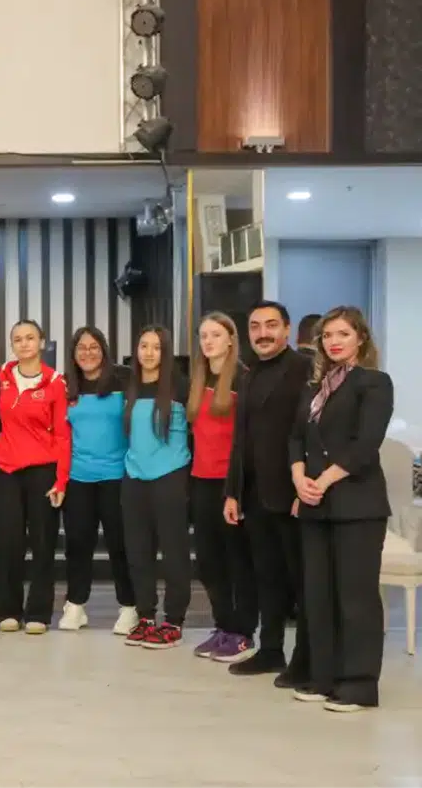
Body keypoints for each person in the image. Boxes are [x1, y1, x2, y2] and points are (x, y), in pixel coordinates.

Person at [289, 306, 393, 712]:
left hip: (357, 505)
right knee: (318, 596)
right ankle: (324, 677)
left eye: (343, 334)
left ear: (360, 338)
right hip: (315, 504)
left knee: (355, 597)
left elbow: (365, 444)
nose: (334, 342)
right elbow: (296, 438)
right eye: (328, 335)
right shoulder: (316, 387)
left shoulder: (374, 383)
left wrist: (325, 480)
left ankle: (359, 684)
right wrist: (299, 477)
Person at [223, 301, 312, 683]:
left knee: (302, 583)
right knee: (268, 578)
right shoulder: (248, 375)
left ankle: (307, 660)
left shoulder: (305, 369)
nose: (263, 333)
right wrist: (233, 492)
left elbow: (309, 434)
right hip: (256, 495)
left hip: (294, 495)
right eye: (256, 326)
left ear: (287, 330)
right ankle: (271, 650)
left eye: (271, 325)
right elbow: (240, 440)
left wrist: (303, 488)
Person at [0, 320, 70, 635]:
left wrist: (61, 480)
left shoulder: (56, 383)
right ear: (12, 345)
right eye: (18, 339)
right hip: (7, 471)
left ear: (41, 342)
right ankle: (7, 609)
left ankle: (38, 612)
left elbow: (63, 435)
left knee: (42, 543)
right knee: (8, 543)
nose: (24, 344)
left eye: (30, 338)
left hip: (43, 471)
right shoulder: (1, 377)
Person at [186, 313, 255, 662]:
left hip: (231, 483)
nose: (208, 341)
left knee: (236, 562)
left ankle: (243, 633)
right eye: (203, 336)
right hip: (201, 480)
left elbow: (245, 441)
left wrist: (235, 491)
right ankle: (224, 627)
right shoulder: (198, 379)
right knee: (209, 562)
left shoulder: (243, 379)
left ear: (231, 339)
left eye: (215, 334)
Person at [61, 326, 136, 635]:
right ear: (73, 354)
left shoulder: (124, 380)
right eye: (81, 347)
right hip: (79, 477)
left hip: (117, 476)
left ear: (104, 350)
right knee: (78, 543)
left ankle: (129, 607)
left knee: (120, 544)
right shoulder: (66, 386)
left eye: (94, 347)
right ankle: (75, 605)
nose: (88, 353)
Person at [121, 325, 192, 649]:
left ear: (165, 352)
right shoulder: (130, 385)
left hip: (170, 476)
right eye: (143, 346)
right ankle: (145, 616)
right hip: (134, 477)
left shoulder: (180, 385)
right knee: (138, 552)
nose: (148, 353)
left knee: (174, 552)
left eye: (156, 347)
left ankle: (173, 620)